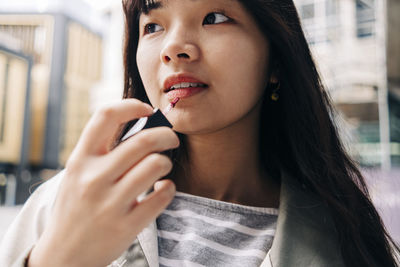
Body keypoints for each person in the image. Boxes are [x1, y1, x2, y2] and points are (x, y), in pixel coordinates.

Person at [1, 0, 399, 266]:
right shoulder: (68, 203)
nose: (173, 48)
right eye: (152, 25)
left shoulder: (342, 239)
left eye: (214, 17)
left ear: (276, 58)